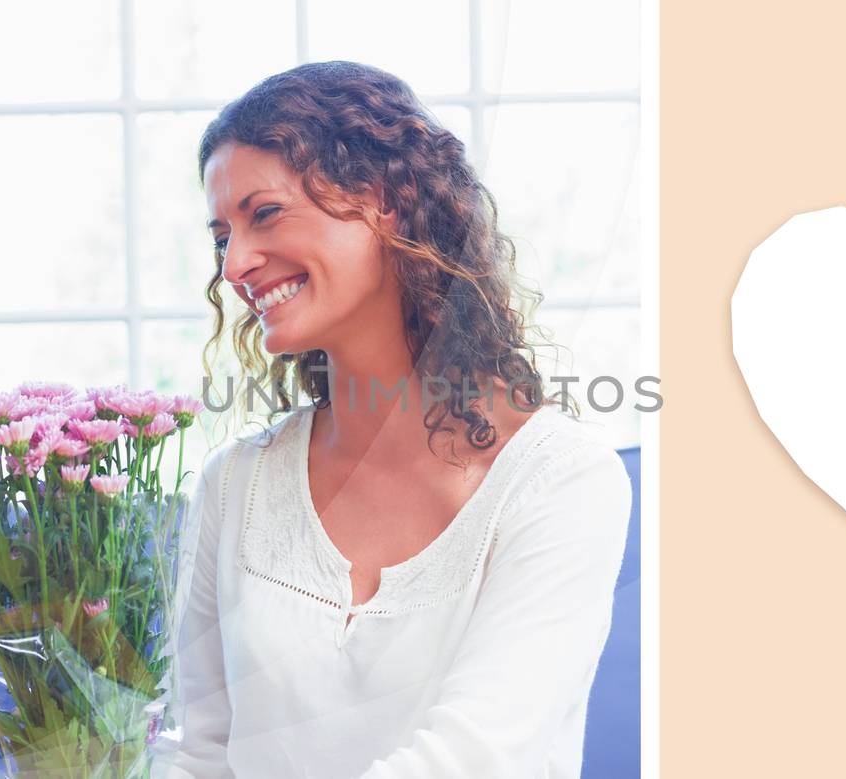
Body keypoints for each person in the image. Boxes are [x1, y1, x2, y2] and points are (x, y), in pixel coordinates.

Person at [164, 61, 633, 777]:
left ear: (382, 201)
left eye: (264, 214)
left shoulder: (562, 483)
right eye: (223, 234)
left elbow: (474, 758)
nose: (235, 266)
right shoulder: (236, 485)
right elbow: (196, 753)